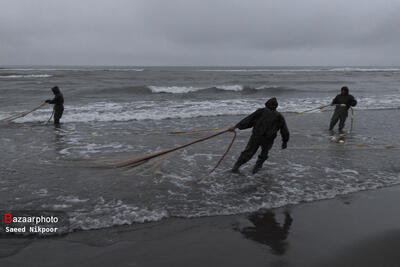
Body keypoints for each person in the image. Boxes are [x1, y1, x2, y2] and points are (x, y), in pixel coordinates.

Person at [229, 97, 289, 174]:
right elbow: (285, 131)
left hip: (256, 137)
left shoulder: (260, 111)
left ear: (267, 104)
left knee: (248, 152)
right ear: (276, 106)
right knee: (264, 153)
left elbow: (248, 120)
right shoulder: (279, 116)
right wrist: (285, 142)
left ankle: (236, 167)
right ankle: (256, 168)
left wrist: (236, 126)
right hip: (269, 139)